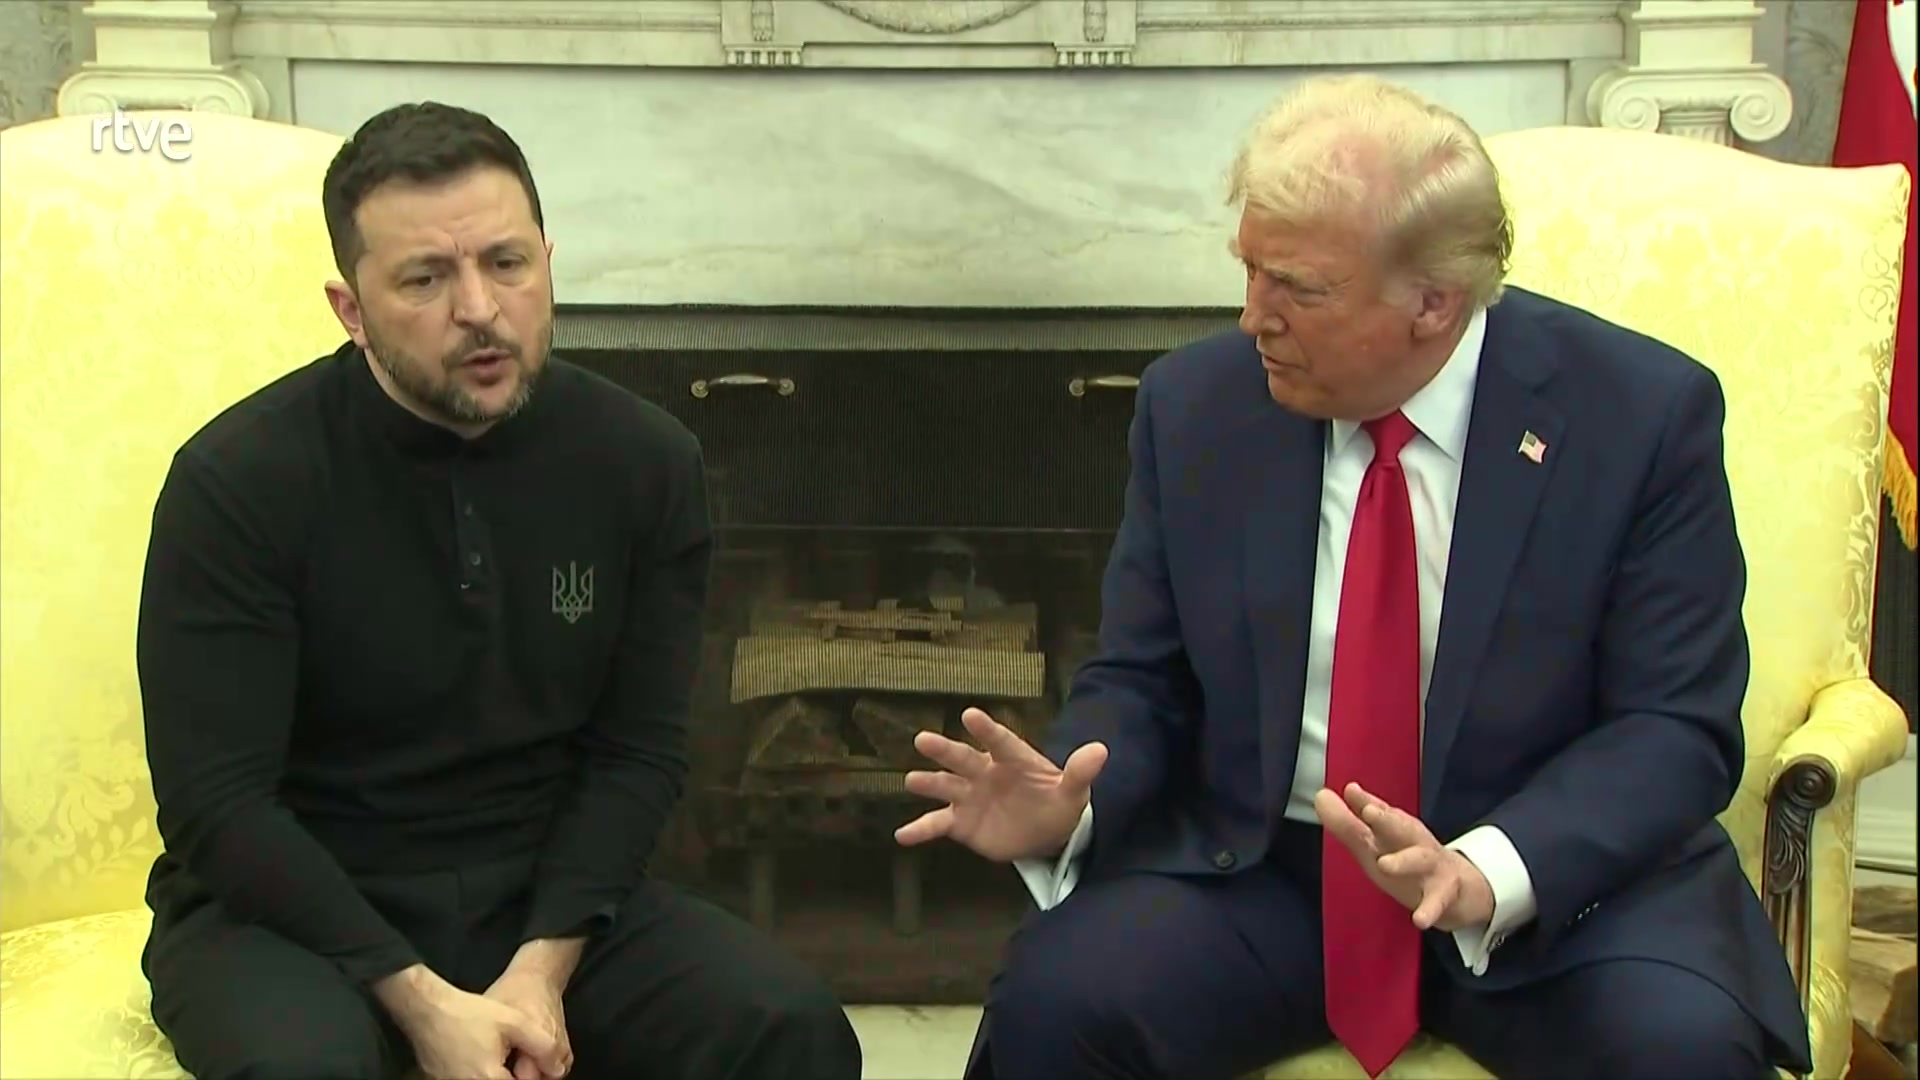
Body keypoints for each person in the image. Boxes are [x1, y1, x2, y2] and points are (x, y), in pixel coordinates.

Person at [896, 74, 1812, 1080]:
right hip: (1268, 872)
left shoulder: (1638, 415)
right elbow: (1144, 680)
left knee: (1683, 1050)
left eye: (1299, 288)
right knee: (1055, 1003)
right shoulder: (1196, 407)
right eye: (1250, 271)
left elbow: (1673, 727)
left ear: (1433, 301)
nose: (1253, 318)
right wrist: (1078, 801)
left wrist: (1487, 869)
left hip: (1553, 885)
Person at [135, 101, 862, 1080]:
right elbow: (219, 807)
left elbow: (637, 753)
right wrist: (425, 1004)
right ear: (350, 309)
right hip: (292, 913)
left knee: (790, 1028)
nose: (479, 308)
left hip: (539, 898)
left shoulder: (643, 462)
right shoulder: (237, 481)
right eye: (425, 279)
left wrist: (539, 975)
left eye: (506, 263)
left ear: (547, 263)